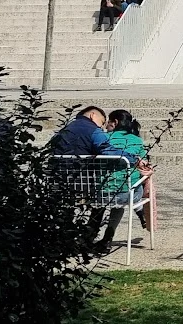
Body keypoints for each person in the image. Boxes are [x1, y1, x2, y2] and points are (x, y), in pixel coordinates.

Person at [48, 106, 141, 251]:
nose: (102, 126)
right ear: (92, 115)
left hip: (58, 179)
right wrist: (131, 158)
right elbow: (108, 151)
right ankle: (91, 238)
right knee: (105, 196)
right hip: (83, 182)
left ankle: (64, 241)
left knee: (69, 208)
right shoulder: (93, 131)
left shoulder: (64, 130)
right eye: (102, 122)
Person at [97, 109, 152, 244]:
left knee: (107, 200)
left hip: (101, 192)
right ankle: (108, 237)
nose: (105, 126)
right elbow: (143, 162)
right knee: (122, 199)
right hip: (126, 193)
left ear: (115, 123)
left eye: (107, 122)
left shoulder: (104, 139)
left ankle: (91, 235)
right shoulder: (137, 140)